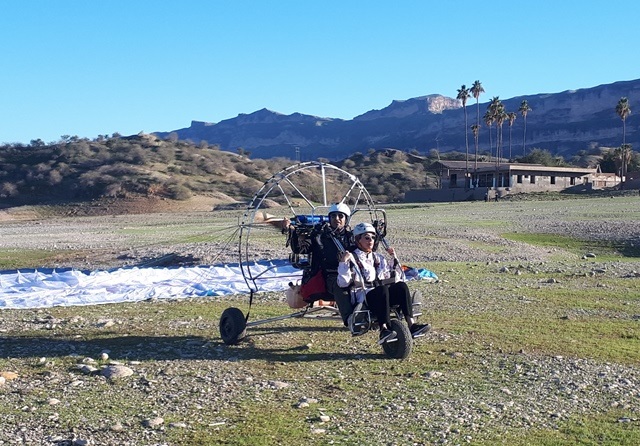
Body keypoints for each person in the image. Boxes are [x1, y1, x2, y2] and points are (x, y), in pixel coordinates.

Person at [336, 222, 429, 344]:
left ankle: (412, 325)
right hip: (364, 297)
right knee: (382, 290)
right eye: (367, 238)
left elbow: (395, 277)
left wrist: (394, 259)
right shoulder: (351, 258)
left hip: (381, 294)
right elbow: (342, 283)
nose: (371, 240)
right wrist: (343, 262)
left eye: (373, 238)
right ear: (358, 239)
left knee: (401, 286)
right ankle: (384, 329)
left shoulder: (378, 257)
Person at [291, 203, 355, 326]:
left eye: (340, 216)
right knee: (340, 286)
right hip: (328, 278)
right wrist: (294, 233)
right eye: (333, 216)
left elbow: (367, 249)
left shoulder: (351, 237)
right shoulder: (319, 236)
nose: (337, 219)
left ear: (346, 219)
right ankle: (350, 320)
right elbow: (301, 249)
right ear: (329, 219)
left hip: (351, 274)